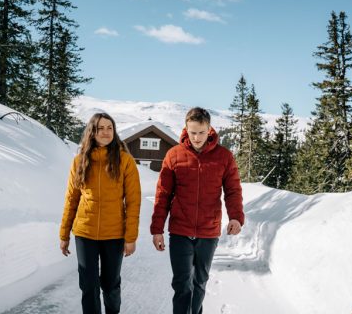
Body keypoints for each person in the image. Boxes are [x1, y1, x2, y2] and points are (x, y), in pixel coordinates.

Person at [150, 107, 244, 314]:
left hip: (208, 232)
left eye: (201, 132)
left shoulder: (224, 157)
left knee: (200, 283)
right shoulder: (174, 155)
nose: (197, 137)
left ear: (209, 129)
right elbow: (163, 194)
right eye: (192, 132)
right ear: (186, 129)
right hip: (180, 231)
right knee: (182, 285)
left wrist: (236, 217)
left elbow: (233, 190)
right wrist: (157, 229)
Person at [59, 112, 141, 314]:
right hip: (85, 234)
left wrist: (130, 237)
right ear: (92, 132)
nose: (105, 132)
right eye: (100, 128)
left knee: (111, 285)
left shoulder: (125, 161)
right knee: (88, 286)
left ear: (114, 131)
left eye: (109, 128)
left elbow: (133, 202)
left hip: (114, 235)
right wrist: (64, 234)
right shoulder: (79, 161)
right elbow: (71, 200)